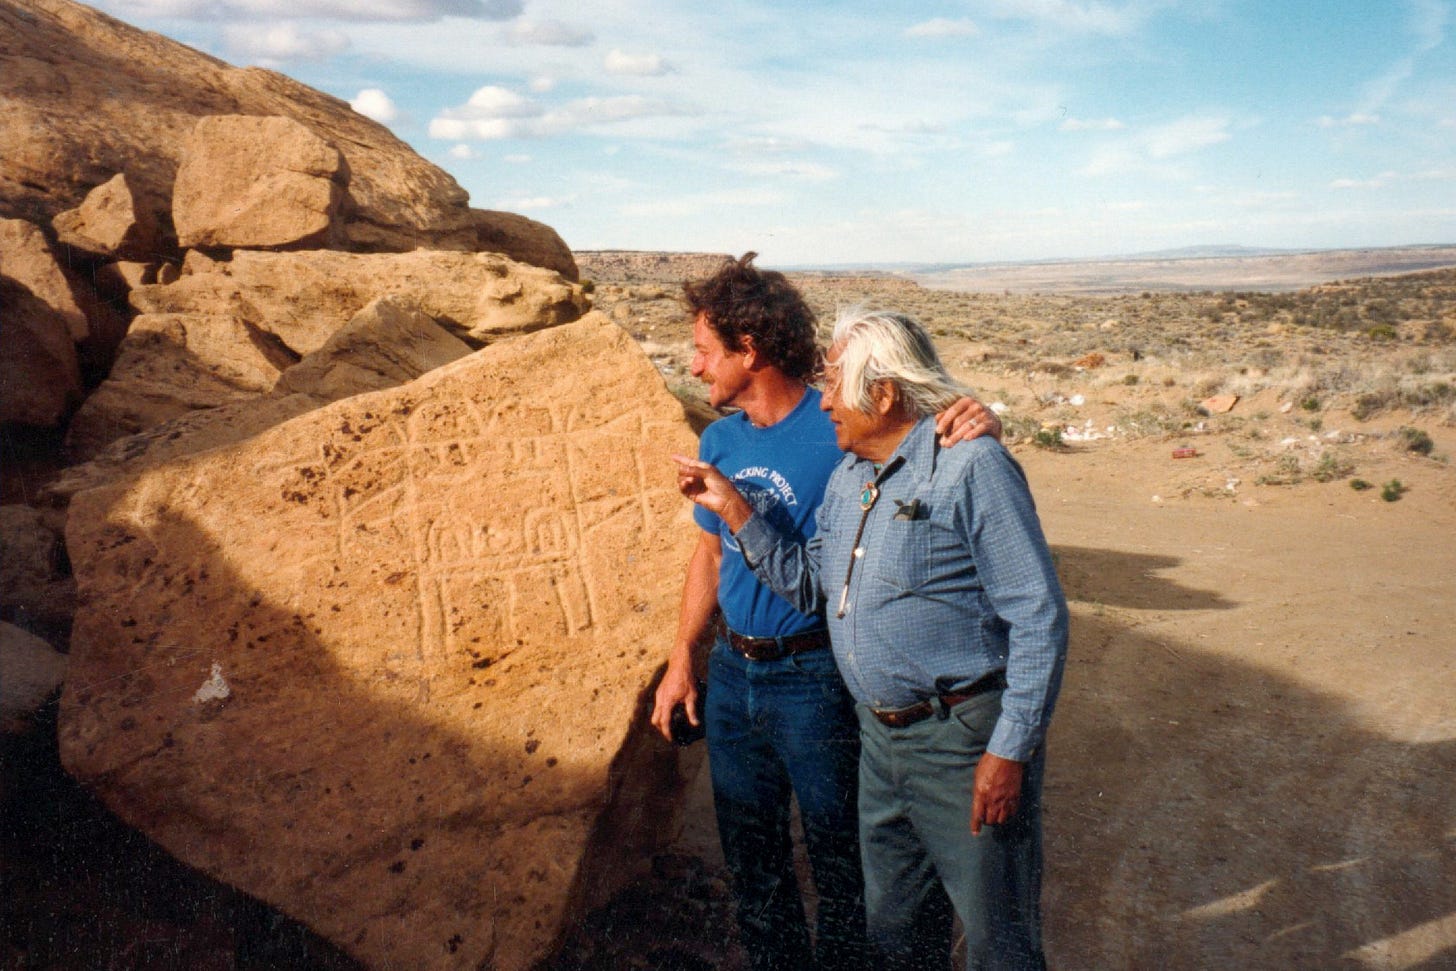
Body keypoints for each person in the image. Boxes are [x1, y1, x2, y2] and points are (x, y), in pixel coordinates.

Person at [673, 307, 1067, 971]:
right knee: (896, 931)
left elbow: (1039, 616)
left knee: (997, 939)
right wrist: (734, 508)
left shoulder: (971, 468)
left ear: (882, 395)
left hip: (962, 739)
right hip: (880, 745)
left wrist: (1011, 747)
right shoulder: (849, 478)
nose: (822, 399)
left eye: (834, 385)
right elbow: (805, 584)